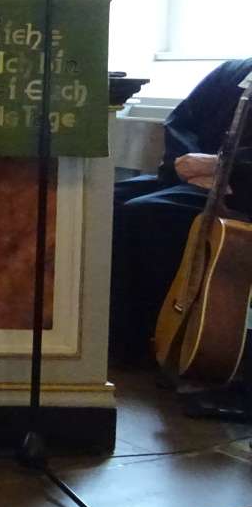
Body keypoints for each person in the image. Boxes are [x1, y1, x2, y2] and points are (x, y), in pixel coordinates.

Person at [108, 57, 252, 368]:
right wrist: (186, 165)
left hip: (239, 193)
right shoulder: (233, 70)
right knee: (103, 202)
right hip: (190, 180)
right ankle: (95, 326)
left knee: (143, 214)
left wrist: (225, 166)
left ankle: (138, 339)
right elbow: (181, 121)